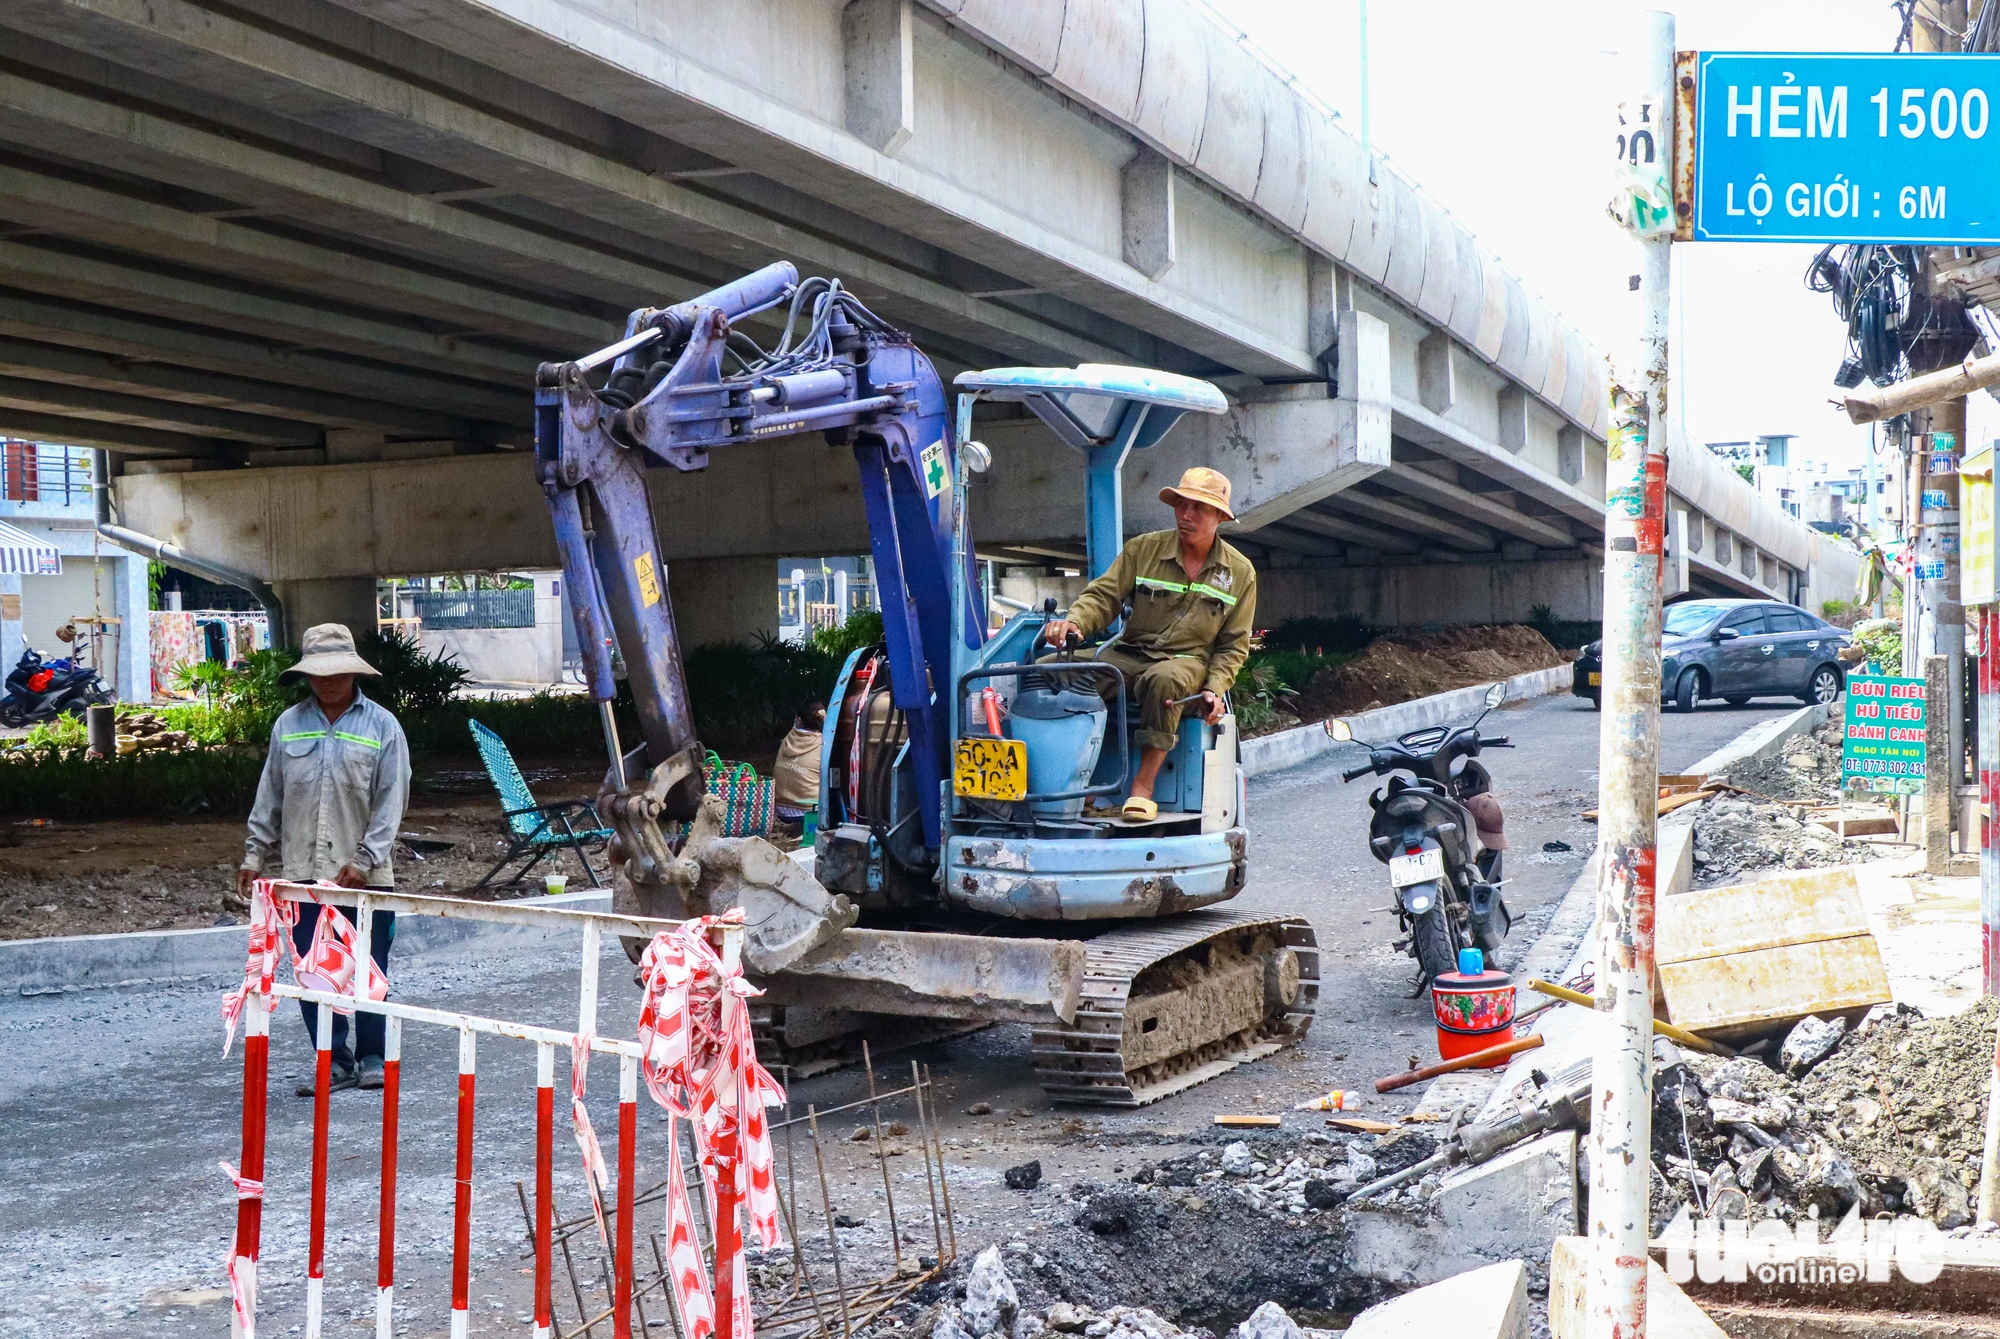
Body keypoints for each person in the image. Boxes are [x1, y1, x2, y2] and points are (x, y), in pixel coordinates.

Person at [238, 623, 411, 1096]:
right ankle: (333, 1061)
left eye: (336, 672)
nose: (327, 682)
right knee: (314, 972)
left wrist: (366, 858)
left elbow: (391, 801)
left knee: (369, 970)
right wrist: (254, 854)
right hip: (303, 876)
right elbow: (269, 795)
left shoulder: (382, 727)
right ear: (307, 677)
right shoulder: (288, 725)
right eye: (318, 674)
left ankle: (374, 1058)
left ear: (353, 673)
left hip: (366, 879)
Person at [1041, 466, 1257, 820]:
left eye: (1199, 508)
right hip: (1128, 654)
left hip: (1187, 663)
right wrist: (1074, 622)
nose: (1186, 515)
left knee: (1163, 681)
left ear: (1220, 515)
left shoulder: (1240, 573)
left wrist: (1215, 689)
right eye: (1181, 505)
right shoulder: (1143, 549)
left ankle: (1142, 787)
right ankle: (1072, 783)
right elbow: (1104, 596)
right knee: (1048, 673)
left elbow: (1234, 645)